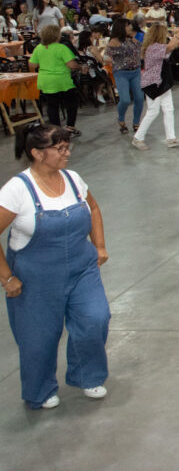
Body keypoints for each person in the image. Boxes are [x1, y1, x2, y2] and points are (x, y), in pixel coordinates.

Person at [0, 124, 110, 410]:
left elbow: (94, 208)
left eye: (67, 146)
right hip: (36, 275)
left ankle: (88, 375)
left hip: (81, 267)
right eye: (59, 148)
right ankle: (39, 389)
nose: (67, 153)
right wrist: (7, 277)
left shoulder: (73, 179)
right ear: (37, 153)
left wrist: (99, 246)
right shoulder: (17, 190)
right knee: (38, 336)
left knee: (95, 318)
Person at [130, 23, 179, 150]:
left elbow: (171, 47)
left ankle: (171, 138)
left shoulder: (154, 47)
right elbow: (171, 47)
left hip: (162, 82)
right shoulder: (153, 47)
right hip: (154, 84)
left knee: (168, 109)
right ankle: (138, 138)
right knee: (153, 111)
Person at [30, 25, 82, 135]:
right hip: (61, 80)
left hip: (45, 80)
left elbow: (32, 65)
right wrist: (80, 67)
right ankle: (70, 127)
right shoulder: (61, 48)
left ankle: (57, 131)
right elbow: (71, 64)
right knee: (72, 103)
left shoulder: (38, 48)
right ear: (57, 35)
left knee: (52, 105)